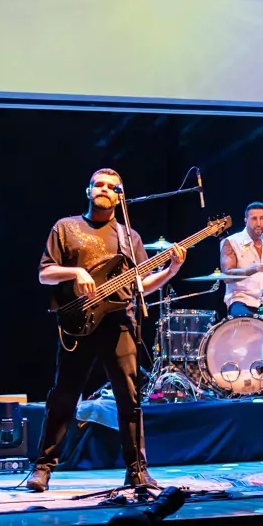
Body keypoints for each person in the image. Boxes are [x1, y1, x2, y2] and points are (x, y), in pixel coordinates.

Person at [27, 169, 187, 492]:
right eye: (98, 184)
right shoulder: (66, 227)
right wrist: (75, 273)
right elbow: (45, 274)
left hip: (120, 323)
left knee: (130, 398)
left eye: (111, 186)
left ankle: (137, 470)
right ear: (88, 191)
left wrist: (172, 269)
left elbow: (142, 285)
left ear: (119, 196)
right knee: (64, 396)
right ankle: (43, 467)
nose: (104, 189)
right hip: (79, 323)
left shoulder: (129, 237)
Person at [219, 202, 263, 318]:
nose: (259, 223)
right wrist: (256, 268)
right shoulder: (231, 242)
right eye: (254, 219)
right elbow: (227, 276)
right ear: (245, 220)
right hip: (241, 301)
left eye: (262, 218)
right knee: (248, 322)